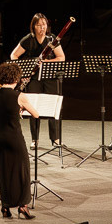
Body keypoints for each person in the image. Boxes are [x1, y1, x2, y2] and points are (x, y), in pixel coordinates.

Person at [0, 62, 39, 219]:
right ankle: (23, 206)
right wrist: (21, 108)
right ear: (17, 78)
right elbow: (36, 114)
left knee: (4, 170)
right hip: (13, 137)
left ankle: (5, 206)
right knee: (22, 170)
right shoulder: (20, 96)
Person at [10, 13, 66, 146]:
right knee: (33, 107)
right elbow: (14, 55)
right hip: (33, 78)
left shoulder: (52, 39)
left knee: (53, 106)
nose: (42, 28)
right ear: (33, 26)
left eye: (44, 25)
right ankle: (35, 139)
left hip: (50, 77)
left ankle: (55, 139)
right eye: (39, 25)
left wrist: (46, 62)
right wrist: (23, 71)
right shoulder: (28, 39)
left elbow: (61, 57)